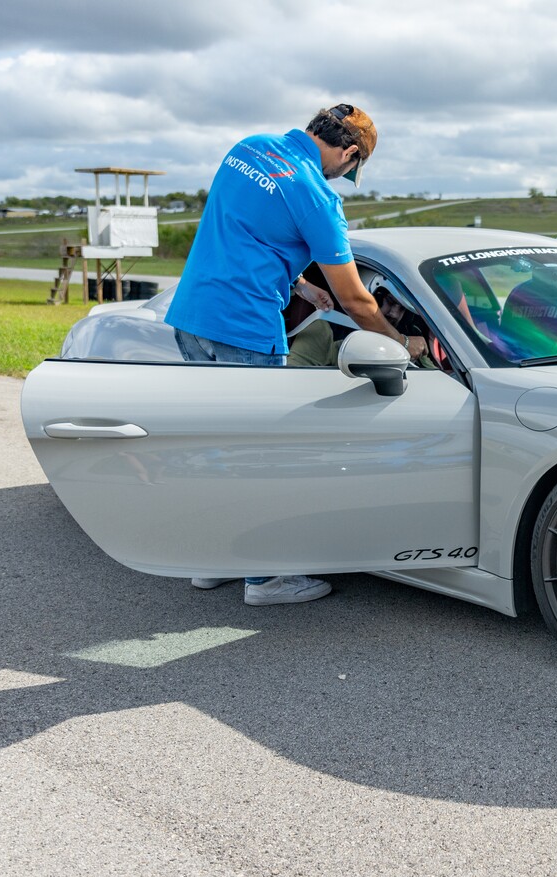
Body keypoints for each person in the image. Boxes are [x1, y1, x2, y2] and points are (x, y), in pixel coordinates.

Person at [166, 103, 426, 606]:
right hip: (245, 329)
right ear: (349, 152)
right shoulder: (317, 197)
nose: (345, 175)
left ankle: (210, 560)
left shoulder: (249, 148)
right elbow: (356, 300)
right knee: (260, 458)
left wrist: (303, 286)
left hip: (192, 318)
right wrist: (402, 344)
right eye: (351, 168)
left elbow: (246, 231)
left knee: (216, 448)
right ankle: (266, 579)